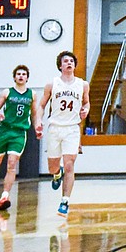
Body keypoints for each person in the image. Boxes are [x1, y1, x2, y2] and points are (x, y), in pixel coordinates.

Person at [0, 64, 40, 211]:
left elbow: (35, 113)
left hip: (19, 133)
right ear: (14, 77)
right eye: (18, 74)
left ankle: (5, 196)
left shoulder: (32, 94)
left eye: (23, 74)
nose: (21, 76)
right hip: (4, 130)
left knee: (12, 164)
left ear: (27, 78)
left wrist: (38, 125)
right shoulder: (7, 92)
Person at [38, 51, 90, 217]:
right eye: (65, 61)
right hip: (55, 127)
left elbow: (87, 102)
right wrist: (39, 121)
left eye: (71, 61)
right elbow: (41, 105)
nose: (69, 63)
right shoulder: (52, 84)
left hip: (72, 128)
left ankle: (64, 201)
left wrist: (86, 109)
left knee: (69, 164)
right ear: (60, 66)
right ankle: (56, 173)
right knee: (53, 166)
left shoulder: (82, 85)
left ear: (74, 65)